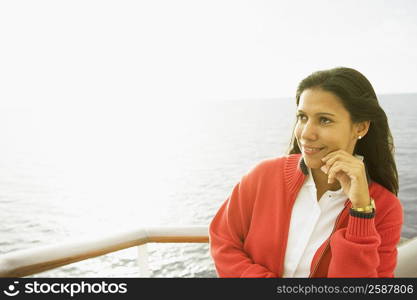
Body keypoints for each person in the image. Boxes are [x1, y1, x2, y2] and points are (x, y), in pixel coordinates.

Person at [209, 67, 403, 278]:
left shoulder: (385, 209)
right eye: (302, 117)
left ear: (361, 128)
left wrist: (361, 212)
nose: (306, 134)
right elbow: (223, 241)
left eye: (324, 120)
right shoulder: (263, 176)